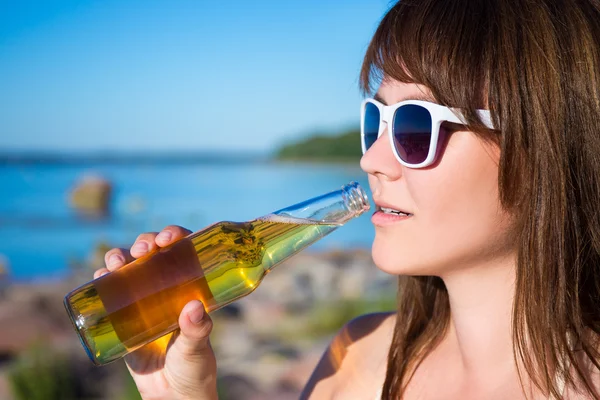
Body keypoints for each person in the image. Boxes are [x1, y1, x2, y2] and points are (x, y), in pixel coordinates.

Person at [96, 0, 600, 398]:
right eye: (374, 120)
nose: (373, 160)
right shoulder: (358, 363)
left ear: (547, 149)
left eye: (414, 125)